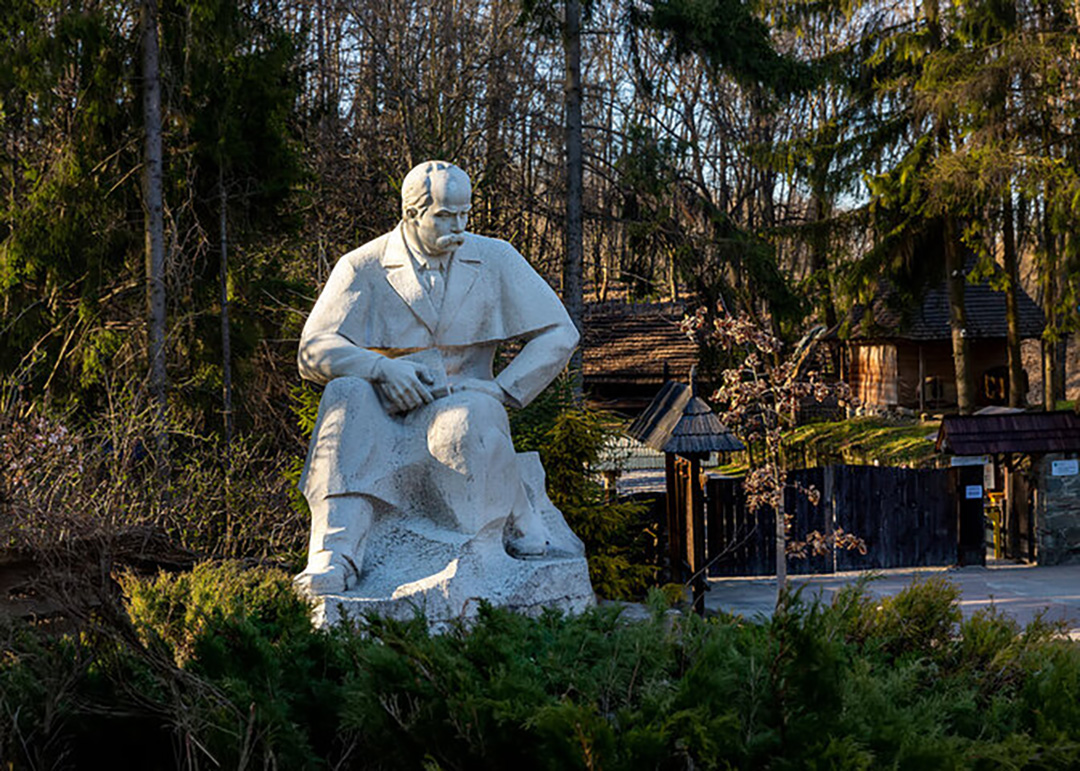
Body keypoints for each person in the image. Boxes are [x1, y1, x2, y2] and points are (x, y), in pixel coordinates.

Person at [294, 161, 579, 593]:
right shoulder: (363, 267)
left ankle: (496, 537)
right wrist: (379, 368)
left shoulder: (496, 257)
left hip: (466, 402)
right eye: (445, 215)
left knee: (468, 418)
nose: (460, 227)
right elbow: (312, 349)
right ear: (411, 213)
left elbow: (561, 333)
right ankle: (336, 553)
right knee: (345, 393)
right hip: (384, 413)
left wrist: (501, 388)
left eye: (465, 213)